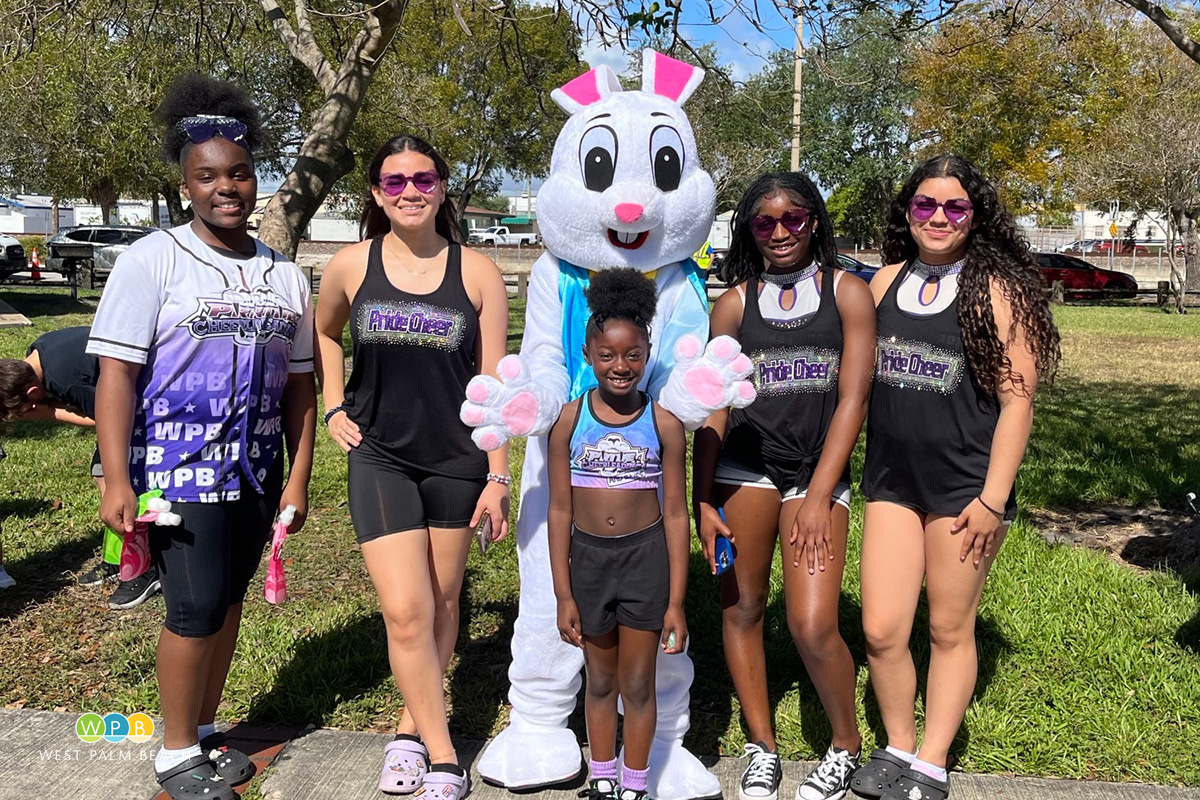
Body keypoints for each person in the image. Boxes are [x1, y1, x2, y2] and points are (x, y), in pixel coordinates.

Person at [88, 74, 316, 800]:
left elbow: (302, 387)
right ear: (185, 185)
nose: (227, 187)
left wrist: (299, 474)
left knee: (228, 602)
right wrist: (118, 480)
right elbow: (116, 377)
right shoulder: (151, 260)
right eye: (208, 175)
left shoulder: (286, 275)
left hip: (253, 470)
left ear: (257, 179)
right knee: (191, 608)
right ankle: (174, 750)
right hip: (176, 471)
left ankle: (207, 730)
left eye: (240, 172)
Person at [850, 155, 1060, 800]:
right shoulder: (883, 282)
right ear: (907, 211)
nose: (938, 218)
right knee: (882, 628)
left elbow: (1017, 400)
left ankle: (932, 762)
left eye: (954, 208)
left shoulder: (997, 290)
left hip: (965, 488)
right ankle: (897, 745)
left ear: (976, 216)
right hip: (892, 480)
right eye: (924, 206)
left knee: (948, 627)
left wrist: (993, 500)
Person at [315, 133, 510, 799]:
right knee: (405, 610)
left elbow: (494, 386)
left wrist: (499, 475)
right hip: (381, 457)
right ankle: (445, 754)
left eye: (422, 179)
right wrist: (333, 401)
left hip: (457, 459)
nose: (409, 192)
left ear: (443, 187)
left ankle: (407, 725)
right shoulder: (348, 265)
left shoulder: (478, 272)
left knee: (444, 602)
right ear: (376, 193)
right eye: (394, 181)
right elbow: (325, 332)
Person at [692, 173, 875, 800]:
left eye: (792, 220)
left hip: (814, 473)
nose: (778, 233)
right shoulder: (734, 303)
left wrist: (821, 495)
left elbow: (853, 399)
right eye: (764, 223)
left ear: (814, 222)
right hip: (744, 469)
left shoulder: (847, 291)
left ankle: (846, 744)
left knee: (812, 623)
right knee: (741, 609)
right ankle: (761, 746)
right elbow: (715, 408)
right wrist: (703, 496)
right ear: (749, 230)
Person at [548, 268, 690, 800]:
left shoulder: (663, 423)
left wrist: (676, 601)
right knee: (600, 681)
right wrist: (563, 592)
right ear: (588, 355)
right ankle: (602, 778)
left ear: (648, 351)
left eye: (632, 354)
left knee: (638, 684)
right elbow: (559, 511)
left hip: (645, 559)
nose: (620, 366)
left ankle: (634, 785)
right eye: (606, 355)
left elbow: (676, 513)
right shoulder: (568, 420)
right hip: (587, 561)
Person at [0, 326, 163, 607]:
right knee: (101, 473)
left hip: (149, 398)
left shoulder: (66, 381)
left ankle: (144, 566)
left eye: (23, 410)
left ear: (33, 392)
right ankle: (118, 557)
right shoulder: (37, 352)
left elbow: (108, 417)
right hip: (128, 384)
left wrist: (50, 414)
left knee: (112, 481)